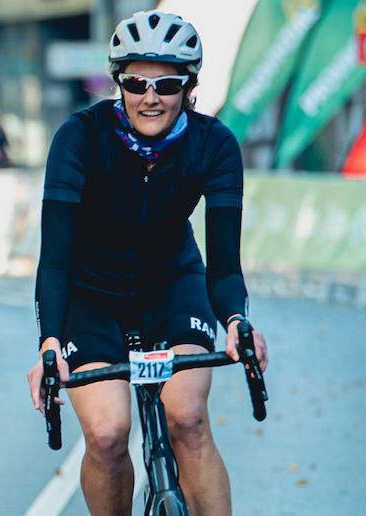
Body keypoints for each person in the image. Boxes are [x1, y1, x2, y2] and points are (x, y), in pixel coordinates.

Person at [25, 11, 270, 516]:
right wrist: (50, 340)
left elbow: (223, 267)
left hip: (171, 281)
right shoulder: (79, 138)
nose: (150, 96)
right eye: (136, 82)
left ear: (190, 87)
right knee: (110, 432)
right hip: (90, 292)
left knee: (187, 417)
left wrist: (237, 320)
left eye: (168, 84)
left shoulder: (215, 144)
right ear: (120, 83)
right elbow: (54, 260)